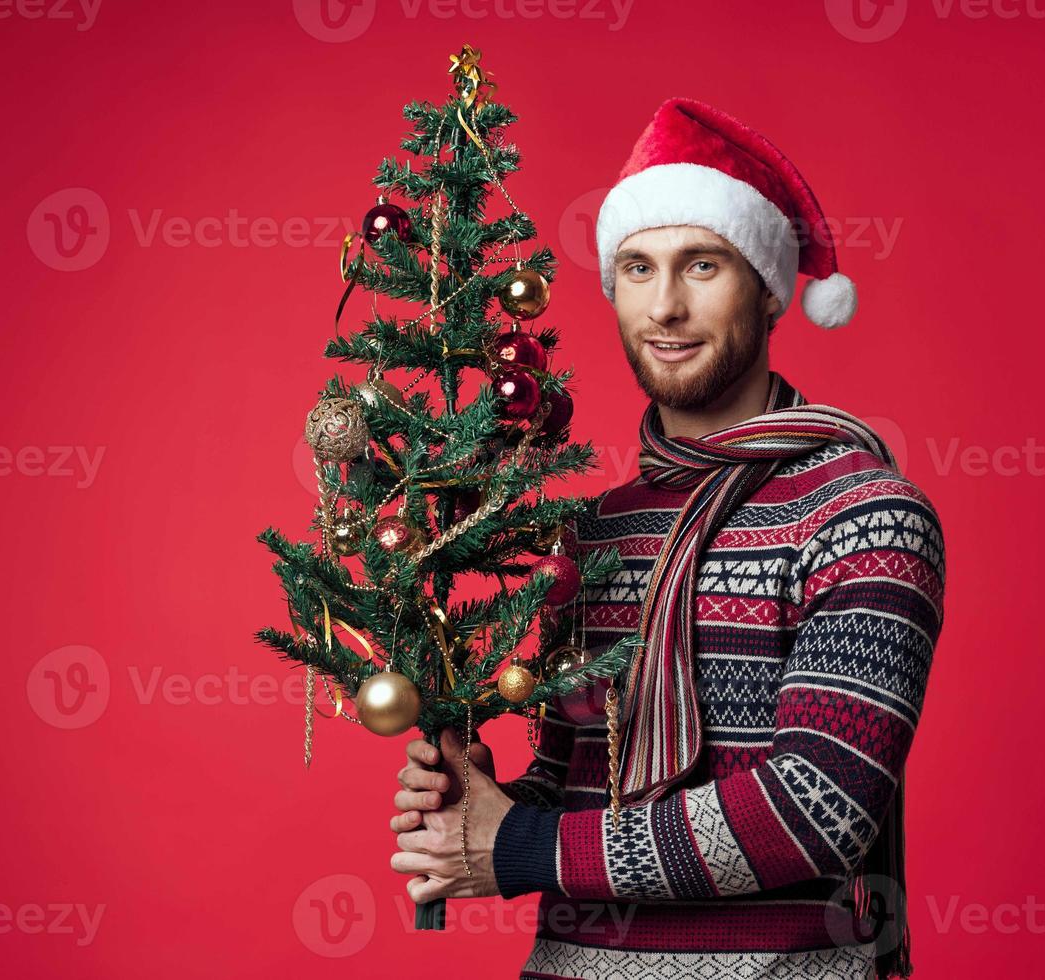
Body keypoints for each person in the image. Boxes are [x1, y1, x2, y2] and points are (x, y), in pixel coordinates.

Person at [390, 97, 946, 980]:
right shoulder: (597, 530)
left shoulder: (865, 514)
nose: (667, 306)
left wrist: (521, 843)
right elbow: (576, 780)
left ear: (768, 288)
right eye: (639, 269)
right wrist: (481, 805)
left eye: (703, 266)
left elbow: (818, 809)